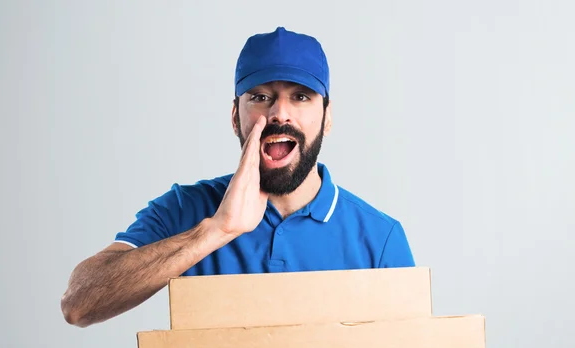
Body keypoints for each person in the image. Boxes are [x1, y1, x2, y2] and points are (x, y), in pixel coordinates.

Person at [61, 27, 415, 328]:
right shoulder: (186, 209)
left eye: (301, 97)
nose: (280, 113)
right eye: (261, 97)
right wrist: (216, 231)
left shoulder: (380, 240)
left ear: (327, 117)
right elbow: (79, 304)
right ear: (235, 116)